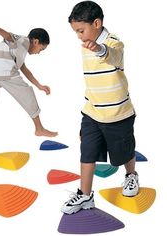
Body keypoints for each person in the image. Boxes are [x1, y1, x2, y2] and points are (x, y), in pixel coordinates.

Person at [61, 1, 139, 214]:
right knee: (87, 151)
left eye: (81, 30)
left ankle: (131, 175)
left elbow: (112, 56)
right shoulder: (86, 43)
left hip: (117, 113)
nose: (78, 35)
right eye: (76, 32)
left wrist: (99, 48)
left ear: (97, 23)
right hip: (92, 111)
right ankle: (85, 196)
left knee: (123, 152)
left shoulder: (114, 43)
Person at [0, 22, 58, 140]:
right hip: (4, 71)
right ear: (35, 41)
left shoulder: (20, 50)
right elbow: (8, 36)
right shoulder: (23, 41)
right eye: (41, 49)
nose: (38, 52)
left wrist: (39, 85)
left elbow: (25, 70)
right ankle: (39, 129)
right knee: (28, 94)